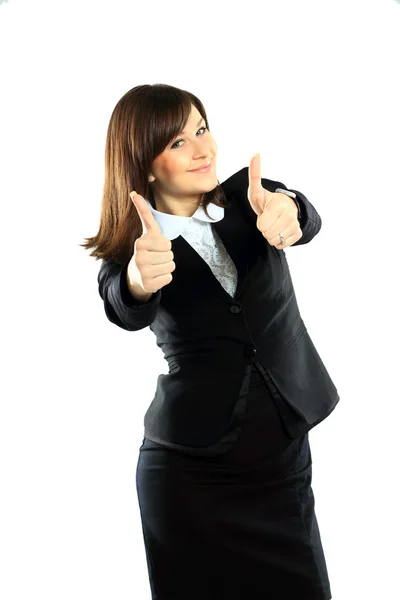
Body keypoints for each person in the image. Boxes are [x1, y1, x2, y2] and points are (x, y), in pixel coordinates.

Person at [82, 83, 340, 599]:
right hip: (189, 479)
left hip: (283, 459)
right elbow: (123, 303)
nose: (203, 149)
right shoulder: (131, 252)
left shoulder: (253, 197)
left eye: (202, 129)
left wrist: (291, 211)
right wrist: (138, 276)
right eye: (178, 142)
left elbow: (301, 215)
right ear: (145, 163)